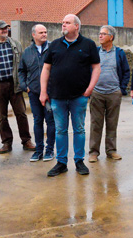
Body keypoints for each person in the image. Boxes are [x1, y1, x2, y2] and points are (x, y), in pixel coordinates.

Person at [40, 14, 101, 177]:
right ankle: (61, 163)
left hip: (79, 96)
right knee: (60, 130)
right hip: (57, 96)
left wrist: (90, 88)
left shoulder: (88, 44)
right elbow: (46, 69)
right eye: (62, 23)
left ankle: (79, 161)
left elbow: (96, 67)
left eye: (67, 23)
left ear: (77, 26)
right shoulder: (54, 45)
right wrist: (43, 91)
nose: (63, 26)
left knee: (79, 129)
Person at [0, 20, 35, 154]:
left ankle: (26, 140)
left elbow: (23, 66)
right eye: (1, 29)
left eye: (6, 28)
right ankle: (6, 143)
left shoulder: (15, 44)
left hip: (14, 84)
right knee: (2, 117)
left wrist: (24, 83)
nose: (4, 30)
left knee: (21, 114)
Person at [88, 25, 130, 162]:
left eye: (103, 34)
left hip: (113, 93)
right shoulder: (94, 52)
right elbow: (87, 70)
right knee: (96, 124)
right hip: (97, 93)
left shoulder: (119, 53)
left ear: (111, 37)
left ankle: (111, 151)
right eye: (99, 33)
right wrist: (89, 88)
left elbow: (126, 72)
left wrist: (121, 89)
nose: (100, 36)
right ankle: (94, 152)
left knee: (112, 123)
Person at [18, 24, 56, 162]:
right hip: (34, 92)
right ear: (33, 35)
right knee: (37, 121)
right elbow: (21, 70)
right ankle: (39, 151)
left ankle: (50, 150)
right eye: (41, 32)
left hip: (51, 93)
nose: (44, 34)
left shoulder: (53, 48)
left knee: (51, 121)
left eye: (45, 32)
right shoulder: (27, 52)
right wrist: (24, 86)